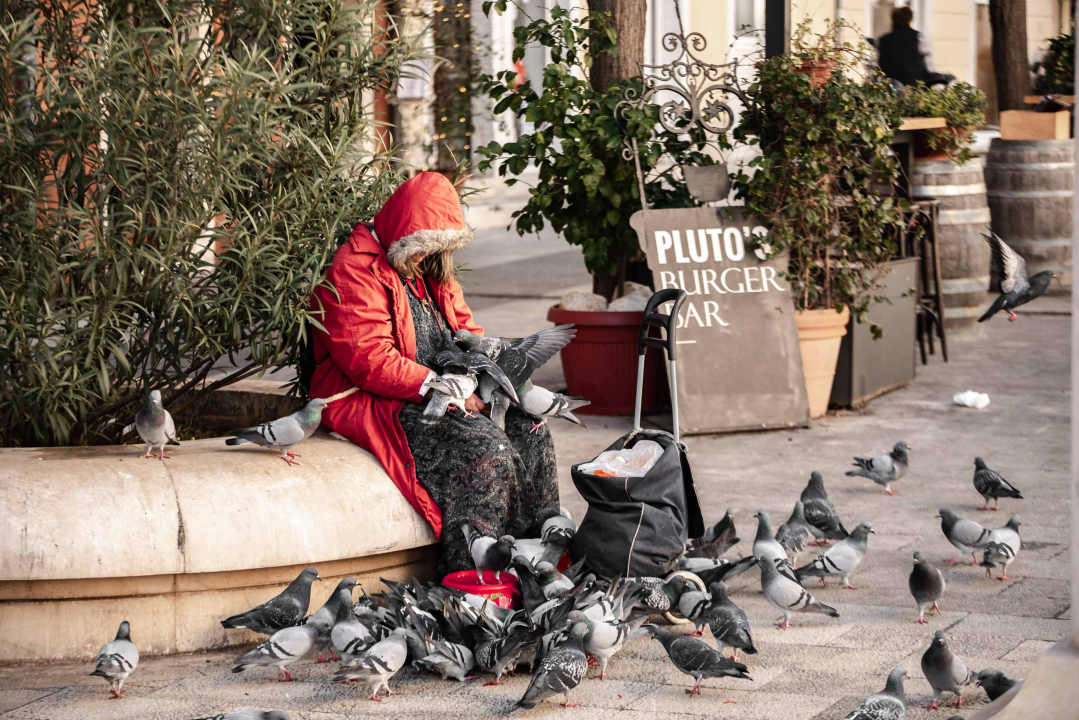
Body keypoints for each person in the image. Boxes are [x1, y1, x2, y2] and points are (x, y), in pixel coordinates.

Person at [308, 172, 559, 574]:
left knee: (532, 430)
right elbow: (370, 361)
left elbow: (467, 331)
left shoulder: (432, 267)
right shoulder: (352, 269)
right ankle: (473, 576)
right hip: (380, 397)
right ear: (405, 234)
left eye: (434, 250)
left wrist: (484, 381)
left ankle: (540, 564)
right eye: (421, 249)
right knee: (484, 448)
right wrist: (451, 392)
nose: (426, 259)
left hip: (445, 387)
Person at [877, 6, 954, 87]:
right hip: (914, 91)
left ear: (893, 21)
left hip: (889, 91)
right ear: (910, 20)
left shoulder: (883, 40)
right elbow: (928, 66)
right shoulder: (917, 37)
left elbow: (877, 69)